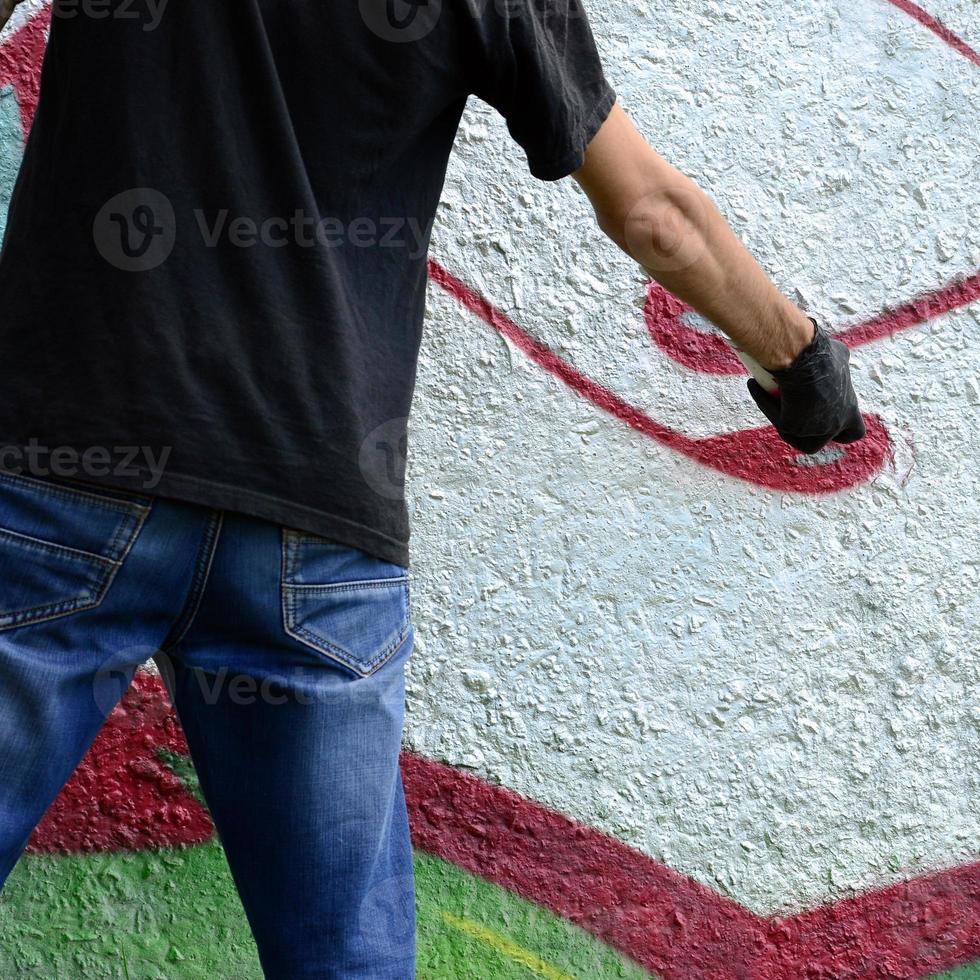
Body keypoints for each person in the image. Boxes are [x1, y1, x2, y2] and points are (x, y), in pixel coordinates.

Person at [0, 0, 865, 976]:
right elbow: (651, 212)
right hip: (314, 527)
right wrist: (795, 360)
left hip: (61, 484)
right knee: (346, 957)